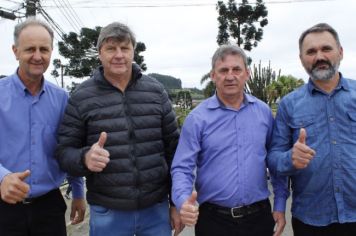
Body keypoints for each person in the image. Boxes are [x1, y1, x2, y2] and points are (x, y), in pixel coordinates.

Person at [55, 21, 183, 236]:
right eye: (111, 48)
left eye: (125, 48)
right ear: (99, 53)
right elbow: (63, 152)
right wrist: (85, 158)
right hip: (108, 213)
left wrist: (176, 201)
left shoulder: (156, 92)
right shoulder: (81, 97)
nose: (118, 55)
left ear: (134, 51)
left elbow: (175, 151)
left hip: (156, 210)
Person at [171, 44, 289, 236]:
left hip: (259, 218)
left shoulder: (263, 113)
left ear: (247, 73)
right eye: (223, 70)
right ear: (213, 75)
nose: (230, 76)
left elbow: (274, 160)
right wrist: (183, 200)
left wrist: (281, 202)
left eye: (236, 69)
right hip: (214, 221)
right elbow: (182, 167)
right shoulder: (197, 119)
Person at [267, 23, 356, 235]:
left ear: (340, 52)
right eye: (311, 51)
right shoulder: (289, 104)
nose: (319, 56)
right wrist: (290, 158)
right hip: (311, 219)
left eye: (326, 49)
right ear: (301, 59)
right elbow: (273, 158)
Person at [0, 17, 86, 236]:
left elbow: (70, 147)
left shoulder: (63, 99)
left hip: (49, 209)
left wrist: (78, 192)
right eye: (30, 49)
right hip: (3, 206)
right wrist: (2, 177)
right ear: (15, 51)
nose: (37, 56)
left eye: (44, 49)